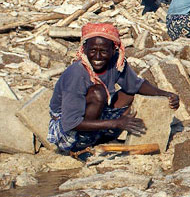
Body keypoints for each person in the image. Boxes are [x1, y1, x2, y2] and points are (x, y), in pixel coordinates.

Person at [47, 23, 178, 153]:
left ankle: (105, 136)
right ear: (84, 48)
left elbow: (136, 85)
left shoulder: (116, 62)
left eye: (103, 51)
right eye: (93, 51)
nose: (97, 57)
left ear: (113, 50)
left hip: (93, 112)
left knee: (130, 95)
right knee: (98, 93)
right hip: (68, 128)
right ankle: (83, 143)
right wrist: (116, 123)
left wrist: (165, 95)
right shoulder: (77, 73)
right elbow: (71, 123)